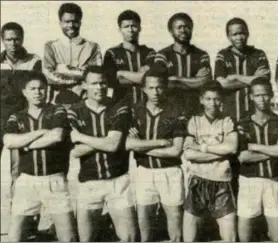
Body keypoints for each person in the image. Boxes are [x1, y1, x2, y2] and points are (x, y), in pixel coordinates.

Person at [3, 71, 76, 242]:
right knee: (15, 236)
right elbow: (8, 141)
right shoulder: (17, 116)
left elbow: (56, 136)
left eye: (41, 89)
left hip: (54, 180)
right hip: (27, 181)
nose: (37, 92)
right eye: (33, 88)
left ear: (47, 90)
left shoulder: (57, 110)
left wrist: (25, 143)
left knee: (68, 237)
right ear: (24, 92)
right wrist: (41, 132)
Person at [67, 66, 137, 241]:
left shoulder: (120, 107)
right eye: (94, 83)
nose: (99, 87)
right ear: (84, 85)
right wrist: (106, 140)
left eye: (103, 83)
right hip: (89, 181)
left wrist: (81, 136)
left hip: (118, 180)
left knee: (129, 238)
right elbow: (75, 151)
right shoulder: (74, 111)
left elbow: (113, 145)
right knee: (87, 239)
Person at [125, 69, 186, 242]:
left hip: (170, 172)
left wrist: (141, 147)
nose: (155, 92)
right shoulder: (136, 110)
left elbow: (176, 150)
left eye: (159, 88)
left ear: (165, 88)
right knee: (145, 227)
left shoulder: (177, 111)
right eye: (151, 88)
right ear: (143, 89)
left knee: (175, 228)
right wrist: (159, 143)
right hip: (144, 171)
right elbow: (128, 144)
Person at [0, 22, 43, 237]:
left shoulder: (34, 60)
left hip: (21, 123)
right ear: (2, 40)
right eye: (8, 39)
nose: (13, 43)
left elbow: (37, 90)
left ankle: (25, 223)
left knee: (21, 172)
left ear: (22, 39)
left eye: (16, 38)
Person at [182, 81, 238, 242]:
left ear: (222, 100)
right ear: (201, 100)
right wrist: (221, 153)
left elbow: (232, 148)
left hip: (222, 182)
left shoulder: (228, 121)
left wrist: (203, 147)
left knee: (229, 237)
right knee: (189, 237)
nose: (213, 103)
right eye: (208, 99)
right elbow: (189, 154)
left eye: (216, 99)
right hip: (197, 181)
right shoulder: (194, 121)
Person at [236, 78, 278, 242]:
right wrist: (274, 149)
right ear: (251, 97)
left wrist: (254, 146)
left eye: (266, 95)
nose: (262, 99)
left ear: (272, 95)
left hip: (274, 182)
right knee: (244, 238)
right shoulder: (242, 123)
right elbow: (243, 156)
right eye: (258, 95)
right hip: (249, 182)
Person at [43, 2, 102, 106]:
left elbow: (94, 75)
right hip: (55, 102)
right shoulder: (50, 46)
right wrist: (79, 75)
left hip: (84, 101)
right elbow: (47, 75)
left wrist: (61, 69)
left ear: (80, 22)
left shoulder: (93, 47)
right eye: (67, 22)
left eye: (75, 21)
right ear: (60, 23)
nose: (70, 25)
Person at [154, 12, 212, 118]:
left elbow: (205, 81)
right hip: (169, 110)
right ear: (171, 31)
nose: (183, 30)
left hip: (196, 110)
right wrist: (194, 80)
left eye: (187, 27)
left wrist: (175, 79)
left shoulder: (201, 55)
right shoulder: (162, 54)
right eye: (179, 27)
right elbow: (161, 83)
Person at [214, 17, 271, 120]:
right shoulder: (223, 55)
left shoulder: (259, 54)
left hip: (255, 115)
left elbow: (264, 80)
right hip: (230, 115)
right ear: (228, 37)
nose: (239, 37)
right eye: (235, 35)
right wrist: (253, 79)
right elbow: (221, 83)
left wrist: (235, 76)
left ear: (248, 34)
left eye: (242, 33)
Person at [103, 10, 156, 104]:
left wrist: (121, 73)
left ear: (140, 28)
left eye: (134, 26)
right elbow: (111, 81)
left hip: (146, 105)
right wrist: (140, 78)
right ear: (120, 29)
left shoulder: (149, 52)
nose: (130, 30)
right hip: (121, 105)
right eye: (126, 26)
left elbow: (150, 78)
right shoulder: (111, 53)